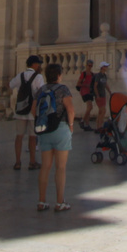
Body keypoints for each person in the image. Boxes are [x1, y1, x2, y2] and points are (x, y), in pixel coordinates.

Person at [34, 62, 76, 212]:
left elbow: (34, 111)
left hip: (44, 130)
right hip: (61, 129)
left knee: (45, 167)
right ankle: (60, 202)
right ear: (58, 75)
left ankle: (41, 201)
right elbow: (70, 110)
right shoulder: (63, 89)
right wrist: (71, 126)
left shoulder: (41, 90)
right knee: (60, 167)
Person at [8, 54, 45, 170]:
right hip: (33, 110)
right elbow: (41, 93)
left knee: (19, 136)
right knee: (32, 137)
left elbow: (10, 85)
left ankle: (18, 162)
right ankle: (32, 162)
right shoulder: (39, 77)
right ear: (34, 65)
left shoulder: (20, 75)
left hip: (21, 109)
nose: (39, 65)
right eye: (38, 63)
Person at [76, 60, 96, 129]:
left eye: (91, 66)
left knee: (89, 108)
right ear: (86, 65)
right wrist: (86, 85)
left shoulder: (92, 74)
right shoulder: (83, 74)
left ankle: (87, 124)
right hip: (84, 91)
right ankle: (82, 120)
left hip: (90, 91)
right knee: (90, 107)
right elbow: (78, 83)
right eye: (89, 65)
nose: (90, 67)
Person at [90, 62, 112, 126]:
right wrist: (97, 95)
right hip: (99, 96)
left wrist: (109, 91)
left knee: (100, 111)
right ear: (102, 67)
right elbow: (95, 86)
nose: (107, 67)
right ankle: (100, 125)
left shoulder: (104, 76)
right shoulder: (98, 76)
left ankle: (98, 125)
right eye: (105, 66)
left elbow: (105, 84)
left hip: (103, 95)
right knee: (103, 111)